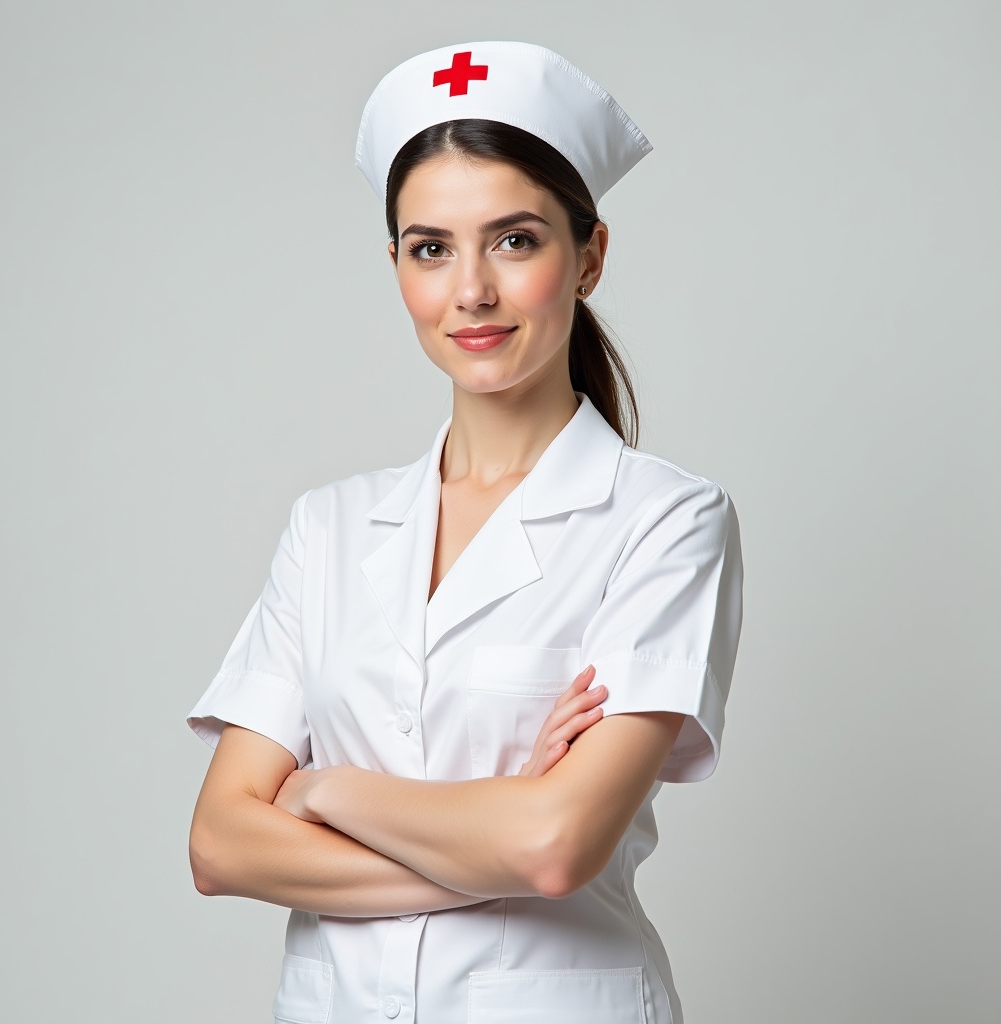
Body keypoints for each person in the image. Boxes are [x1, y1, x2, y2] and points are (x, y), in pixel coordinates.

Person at [188, 41, 743, 1024]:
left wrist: (324, 789)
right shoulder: (329, 527)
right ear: (398, 263)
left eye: (515, 240)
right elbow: (222, 846)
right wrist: (494, 830)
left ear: (590, 256)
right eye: (431, 247)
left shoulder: (663, 520)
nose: (471, 291)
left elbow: (556, 846)